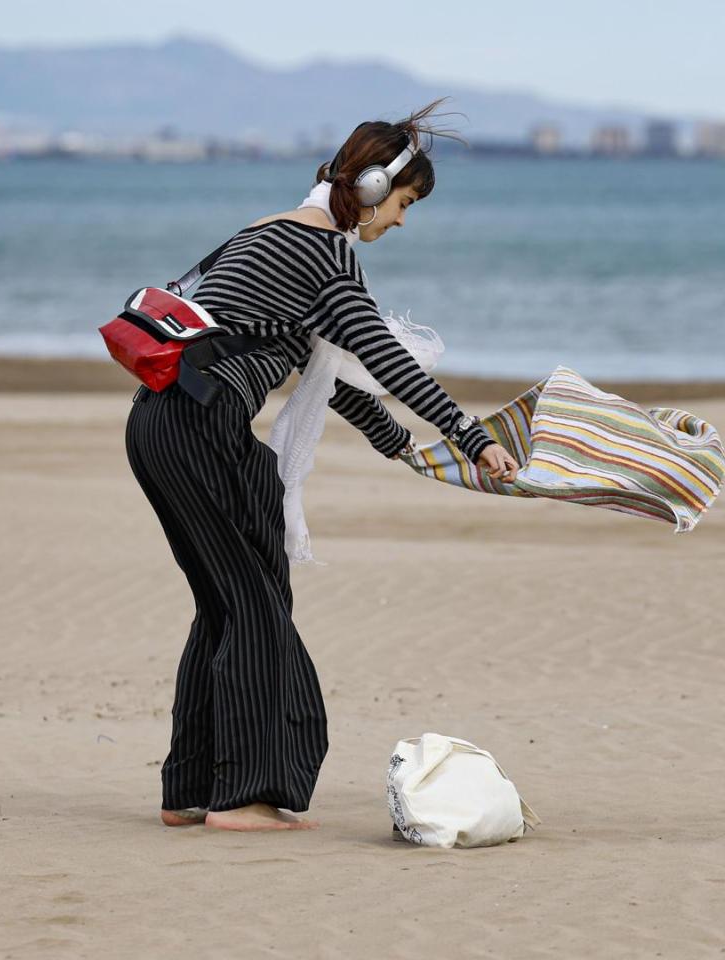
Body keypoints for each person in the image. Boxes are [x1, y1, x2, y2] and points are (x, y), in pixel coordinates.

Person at [123, 101, 517, 832]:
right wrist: (471, 437)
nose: (401, 221)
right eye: (404, 203)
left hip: (160, 424)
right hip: (198, 427)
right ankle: (242, 798)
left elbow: (328, 372)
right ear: (370, 189)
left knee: (230, 602)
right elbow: (386, 361)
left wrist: (405, 450)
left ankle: (191, 791)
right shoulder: (324, 256)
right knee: (256, 606)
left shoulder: (267, 233)